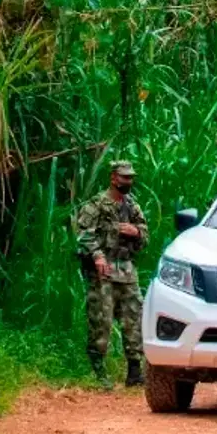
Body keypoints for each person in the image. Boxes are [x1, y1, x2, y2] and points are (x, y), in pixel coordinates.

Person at [76, 160, 149, 389]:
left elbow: (146, 235)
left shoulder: (132, 206)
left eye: (131, 178)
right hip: (104, 271)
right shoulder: (97, 204)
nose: (128, 181)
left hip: (126, 270)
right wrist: (97, 255)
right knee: (101, 320)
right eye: (124, 177)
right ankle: (99, 372)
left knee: (133, 319)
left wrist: (136, 231)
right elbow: (82, 234)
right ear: (113, 178)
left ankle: (134, 372)